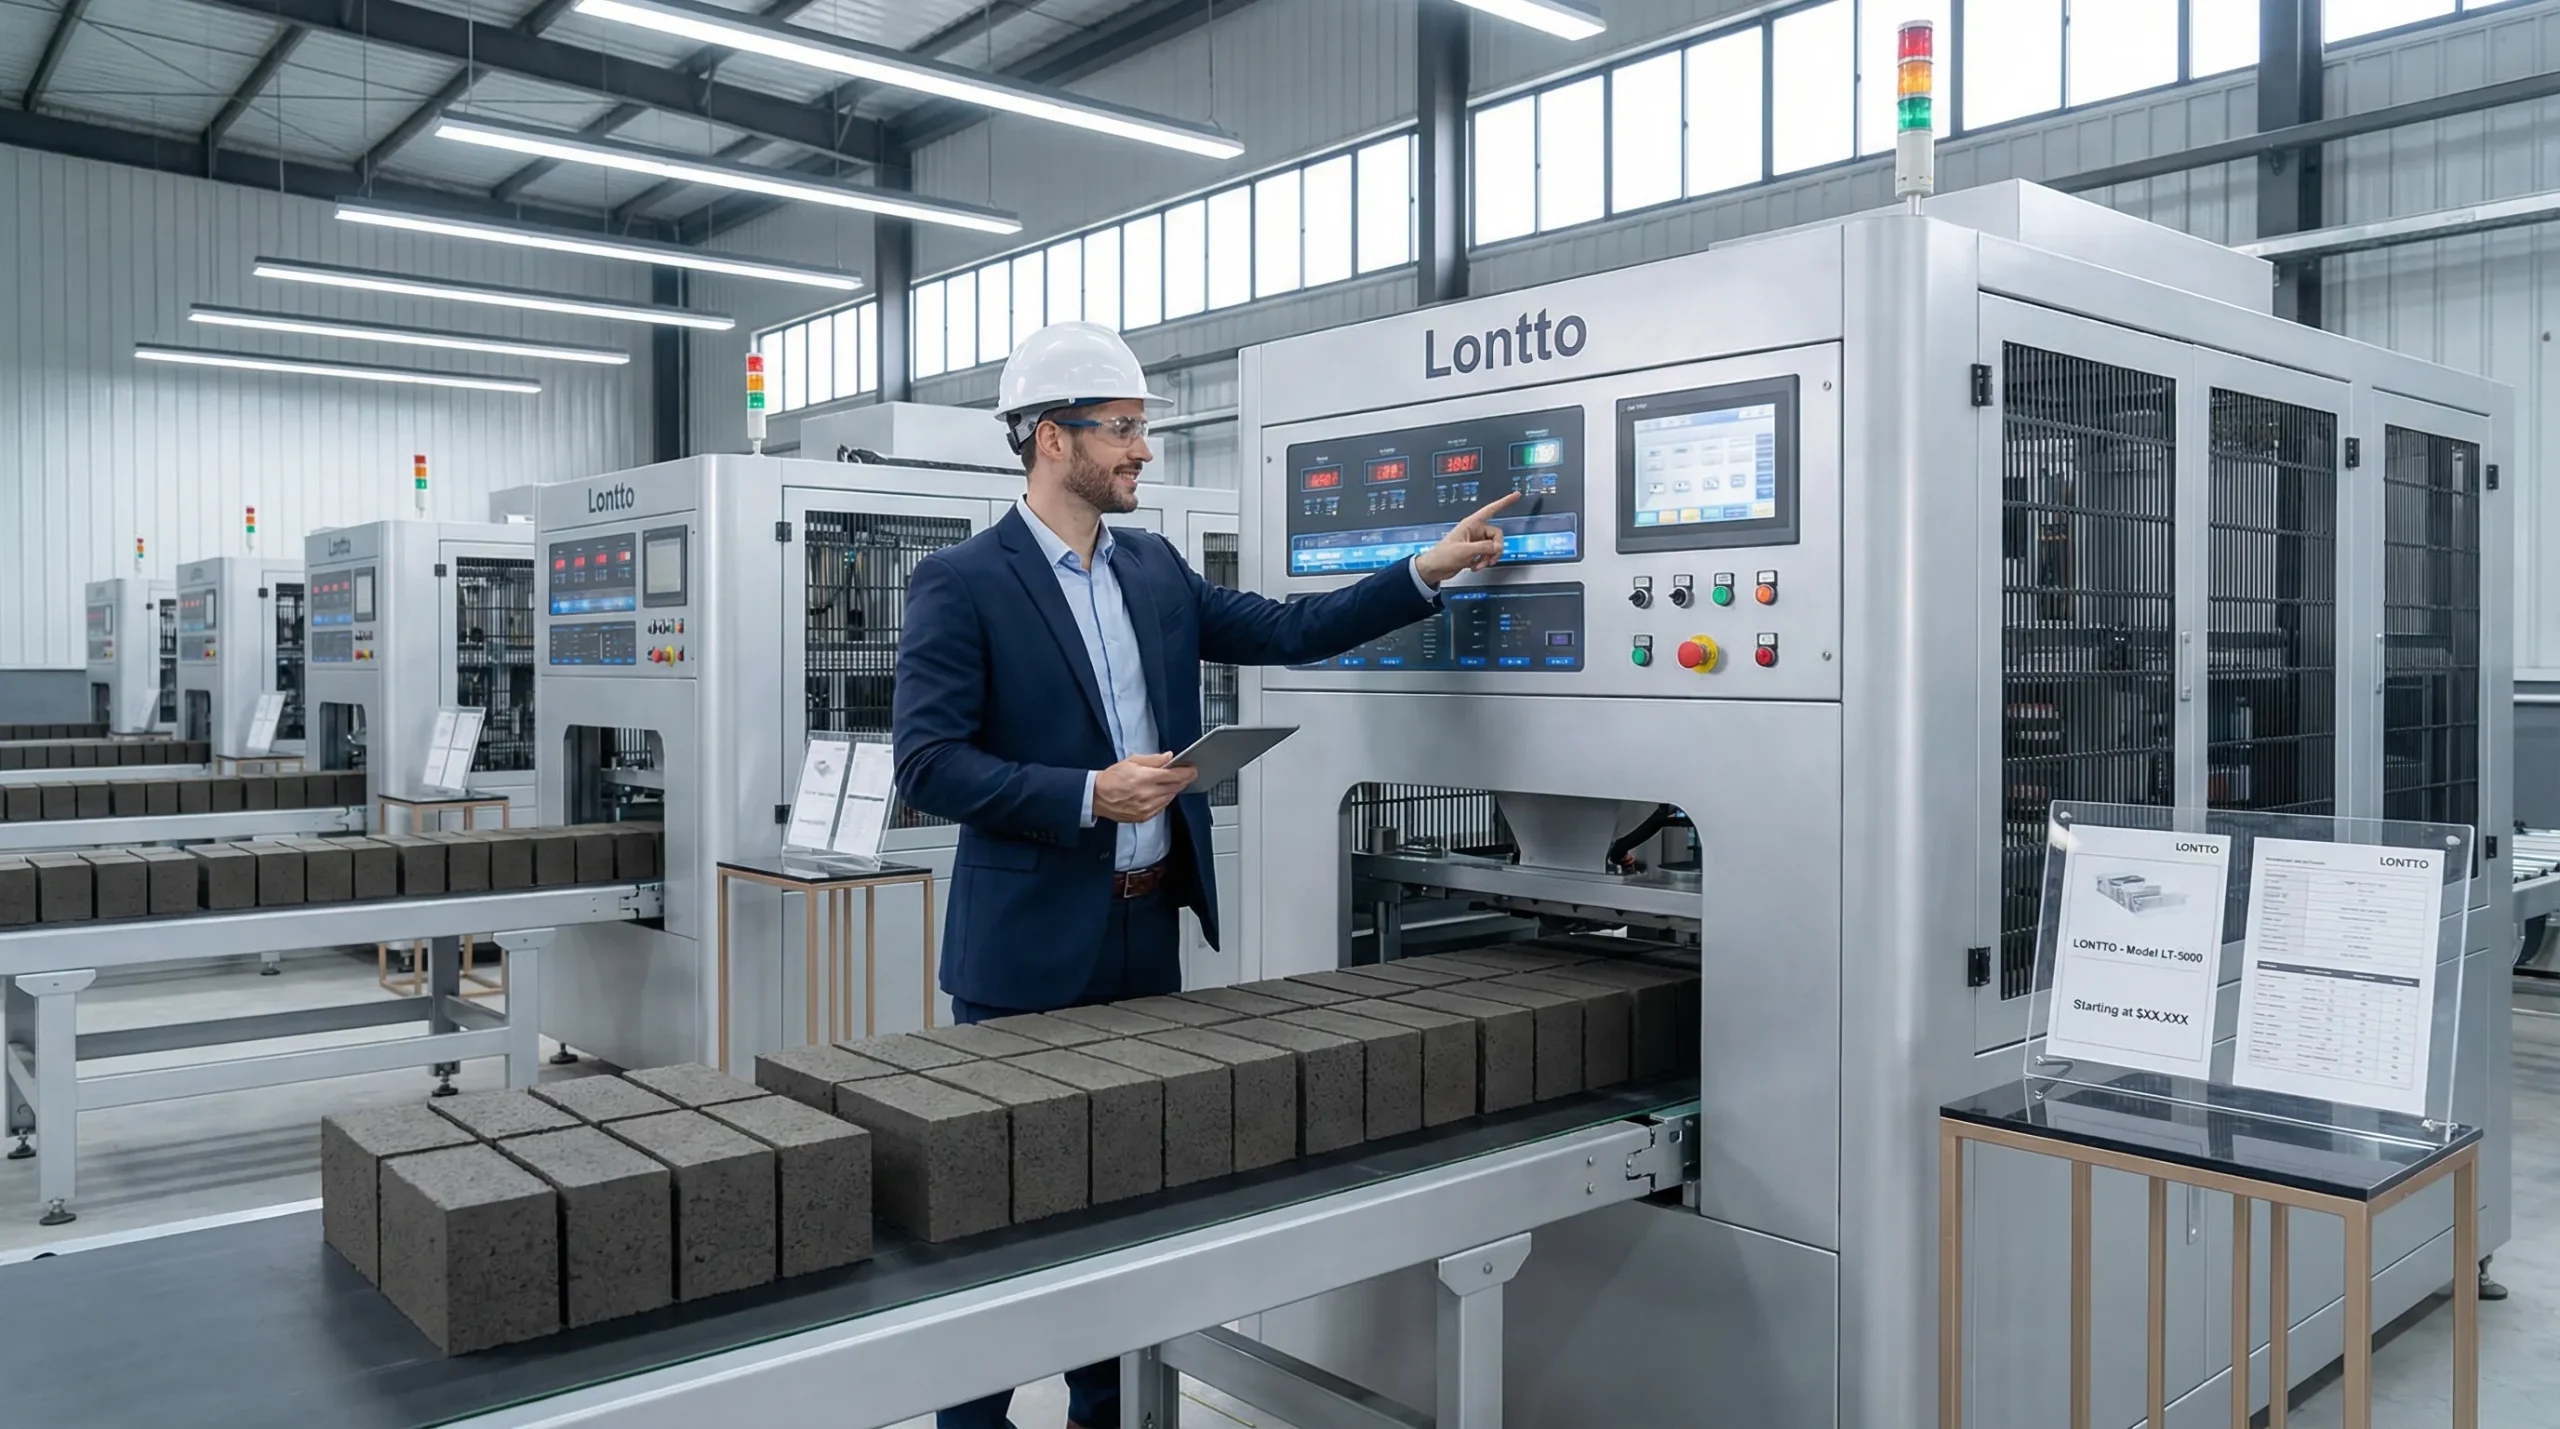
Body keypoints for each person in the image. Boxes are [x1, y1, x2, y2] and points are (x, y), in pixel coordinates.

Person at [891, 321, 1516, 1429]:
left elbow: (1288, 627)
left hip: (1143, 934)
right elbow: (930, 765)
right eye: (1123, 431)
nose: (1143, 452)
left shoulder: (1155, 568)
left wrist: (1425, 569)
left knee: (1123, 1206)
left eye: (1142, 430)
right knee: (998, 1217)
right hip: (1022, 950)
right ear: (1050, 438)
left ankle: (1107, 1412)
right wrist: (1086, 794)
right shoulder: (961, 582)